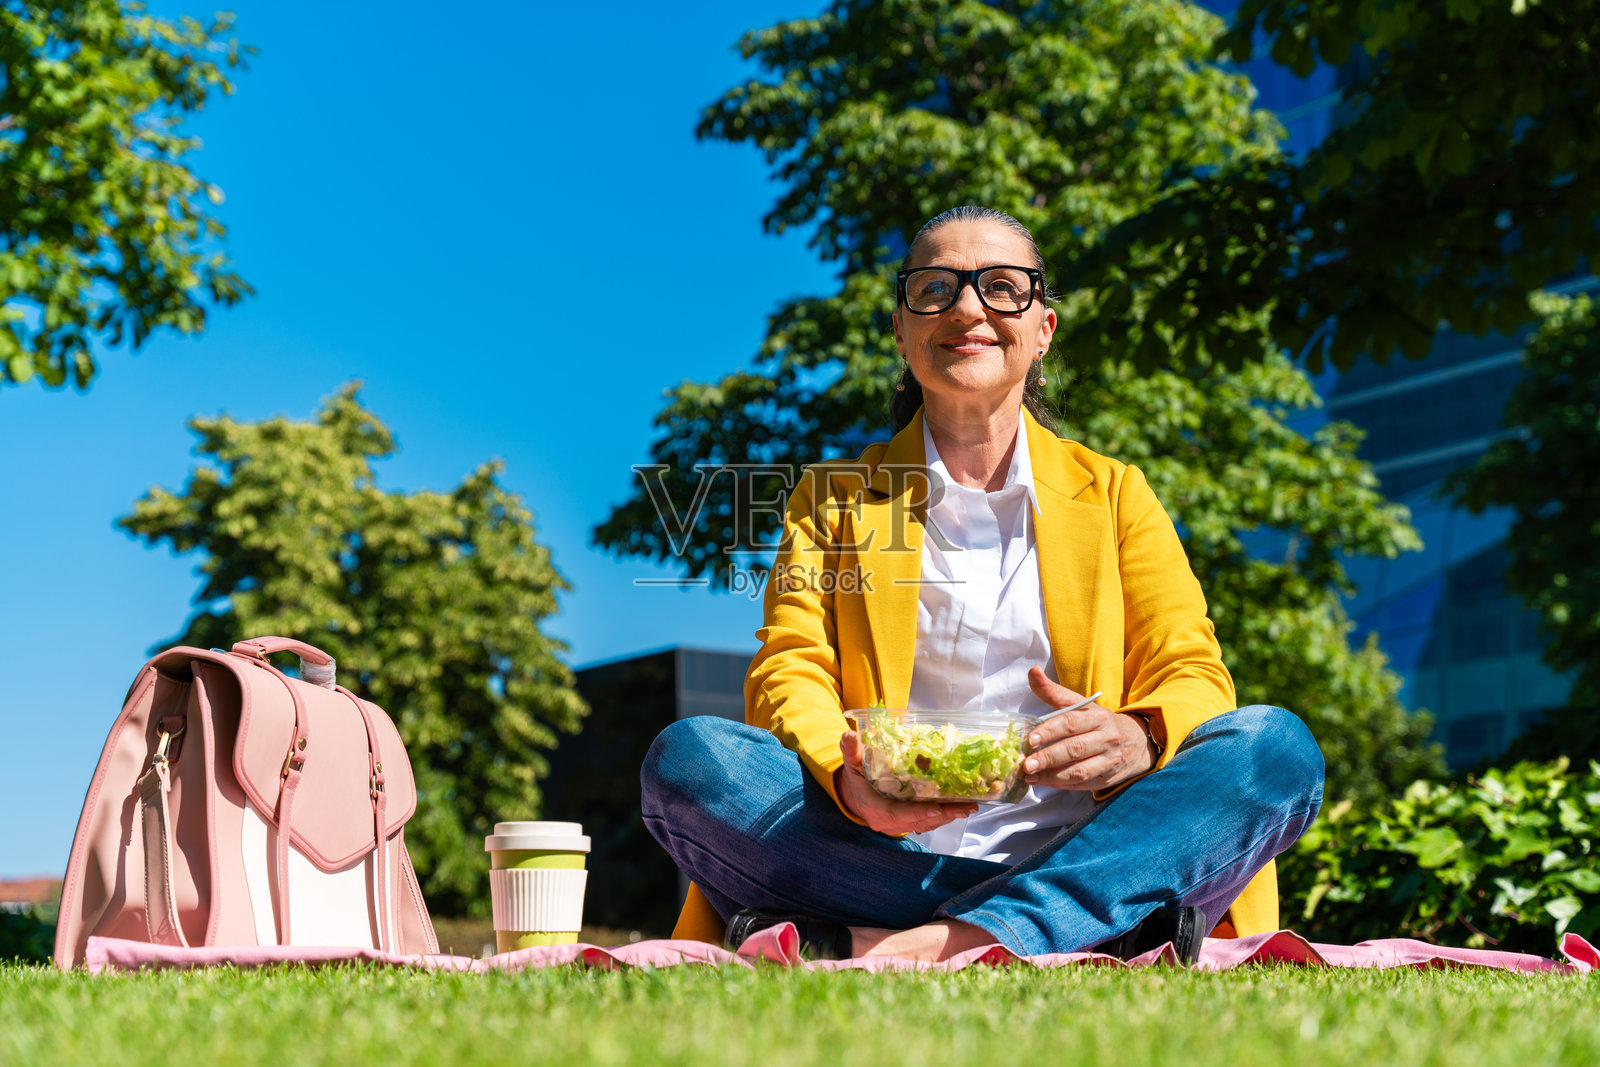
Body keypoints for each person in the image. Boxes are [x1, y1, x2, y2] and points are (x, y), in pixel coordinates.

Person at [640, 205, 1324, 962]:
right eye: (935, 288)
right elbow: (789, 665)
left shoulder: (1117, 493)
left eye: (1002, 287)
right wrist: (847, 776)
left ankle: (932, 940)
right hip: (880, 854)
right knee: (690, 760)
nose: (967, 307)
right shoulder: (832, 496)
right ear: (901, 331)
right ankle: (1081, 927)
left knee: (1275, 748)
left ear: (1043, 330)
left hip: (1094, 840)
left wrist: (1140, 734)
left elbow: (1192, 670)